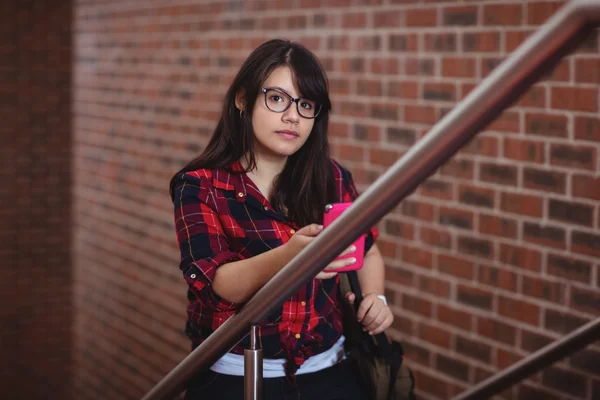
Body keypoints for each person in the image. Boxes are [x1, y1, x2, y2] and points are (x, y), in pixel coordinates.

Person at [170, 39, 393, 400]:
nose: (293, 116)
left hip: (329, 370)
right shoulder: (199, 186)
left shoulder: (332, 178)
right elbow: (218, 284)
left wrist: (376, 298)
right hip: (234, 375)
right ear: (243, 99)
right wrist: (293, 256)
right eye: (277, 98)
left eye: (306, 105)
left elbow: (366, 250)